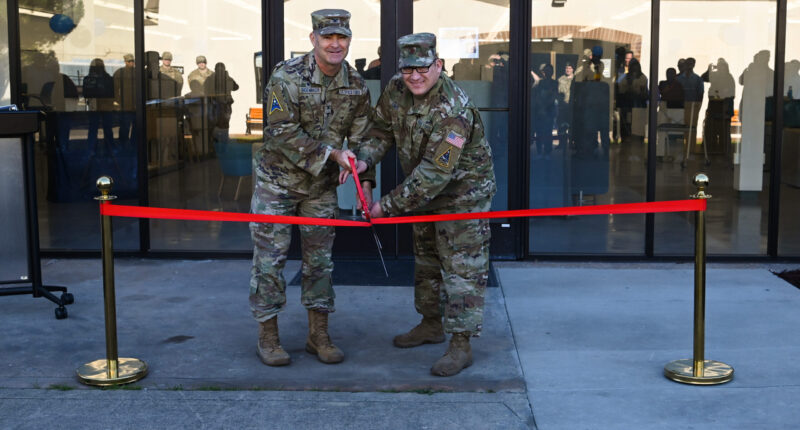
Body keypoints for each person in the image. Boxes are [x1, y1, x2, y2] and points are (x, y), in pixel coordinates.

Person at [351, 33, 496, 377]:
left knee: (462, 269)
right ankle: (431, 324)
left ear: (438, 65)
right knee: (428, 260)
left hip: (463, 196)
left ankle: (461, 344)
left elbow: (435, 174)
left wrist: (384, 207)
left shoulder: (454, 111)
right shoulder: (396, 90)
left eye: (423, 68)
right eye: (407, 69)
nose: (415, 77)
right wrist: (363, 165)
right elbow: (379, 131)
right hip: (423, 193)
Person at [249, 9, 371, 366]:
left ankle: (318, 334)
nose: (336, 44)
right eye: (328, 37)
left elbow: (362, 134)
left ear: (349, 40)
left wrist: (359, 164)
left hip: (320, 189)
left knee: (320, 263)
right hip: (278, 185)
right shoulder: (286, 76)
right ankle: (268, 336)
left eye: (342, 37)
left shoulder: (356, 83)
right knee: (270, 263)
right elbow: (279, 131)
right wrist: (333, 154)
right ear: (313, 39)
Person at [185, 55, 213, 156]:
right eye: (199, 62)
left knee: (210, 130)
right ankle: (199, 152)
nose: (201, 64)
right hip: (197, 106)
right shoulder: (192, 74)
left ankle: (209, 151)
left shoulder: (212, 74)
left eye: (203, 62)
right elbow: (192, 86)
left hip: (209, 104)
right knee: (198, 131)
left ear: (206, 62)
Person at [113, 53, 136, 145]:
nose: (131, 63)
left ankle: (134, 143)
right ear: (125, 62)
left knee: (136, 126)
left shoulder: (138, 72)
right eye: (129, 61)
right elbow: (114, 89)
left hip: (136, 104)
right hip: (125, 105)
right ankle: (123, 143)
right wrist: (117, 101)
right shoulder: (119, 72)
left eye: (132, 61)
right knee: (124, 125)